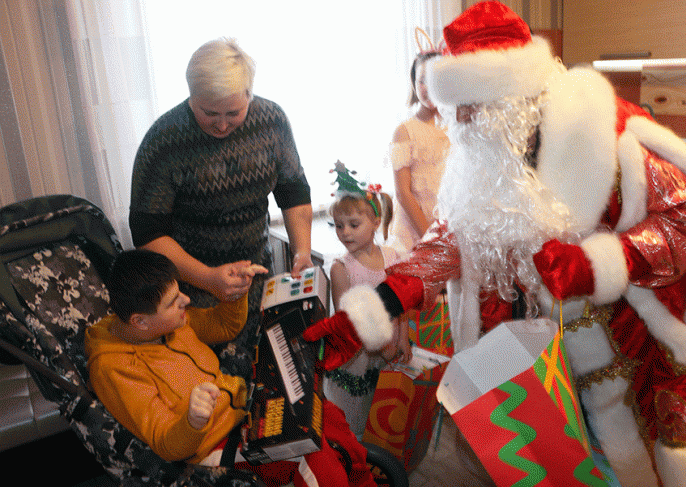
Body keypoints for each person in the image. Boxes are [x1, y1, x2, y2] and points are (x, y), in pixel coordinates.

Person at [325, 2, 686, 486]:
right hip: (538, 356)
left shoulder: (603, 136)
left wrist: (594, 265)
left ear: (511, 93)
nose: (461, 118)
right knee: (556, 460)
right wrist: (382, 302)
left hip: (626, 343)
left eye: (472, 102)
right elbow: (452, 238)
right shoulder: (484, 151)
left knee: (636, 462)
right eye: (457, 105)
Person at [85, 249, 378, 487]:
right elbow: (166, 444)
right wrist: (192, 422)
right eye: (174, 302)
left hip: (244, 410)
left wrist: (236, 294)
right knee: (310, 453)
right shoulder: (114, 368)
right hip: (212, 445)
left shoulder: (167, 322)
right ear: (140, 321)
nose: (186, 300)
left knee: (327, 414)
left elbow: (223, 326)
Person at [128, 37, 314, 355]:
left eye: (234, 112)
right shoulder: (164, 140)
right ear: (192, 96)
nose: (223, 125)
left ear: (249, 94)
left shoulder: (272, 121)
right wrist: (209, 278)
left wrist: (302, 252)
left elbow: (293, 191)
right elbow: (147, 233)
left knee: (266, 370)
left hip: (257, 278)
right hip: (192, 295)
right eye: (210, 113)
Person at [324, 162, 409, 439]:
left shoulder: (393, 258)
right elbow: (351, 322)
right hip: (358, 356)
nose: (345, 232)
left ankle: (376, 451)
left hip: (389, 347)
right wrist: (384, 347)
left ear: (375, 222)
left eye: (353, 224)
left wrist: (403, 338)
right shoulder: (341, 269)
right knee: (354, 415)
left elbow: (401, 302)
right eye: (339, 226)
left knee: (381, 409)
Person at [389, 48, 449, 255]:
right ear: (414, 84)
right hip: (415, 231)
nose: (428, 87)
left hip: (448, 227)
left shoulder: (455, 128)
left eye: (435, 80)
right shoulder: (404, 131)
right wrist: (430, 238)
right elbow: (402, 193)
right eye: (422, 80)